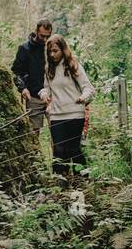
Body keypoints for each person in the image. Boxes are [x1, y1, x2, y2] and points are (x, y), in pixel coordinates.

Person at [39, 34, 95, 175]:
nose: (52, 54)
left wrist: (83, 97)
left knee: (73, 150)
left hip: (75, 114)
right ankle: (60, 184)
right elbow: (47, 88)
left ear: (63, 49)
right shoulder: (48, 69)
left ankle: (82, 181)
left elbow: (89, 88)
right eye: (49, 52)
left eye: (55, 51)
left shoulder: (73, 66)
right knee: (59, 151)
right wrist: (44, 93)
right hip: (56, 115)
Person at [11, 19, 53, 134]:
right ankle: (35, 153)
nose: (44, 40)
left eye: (47, 36)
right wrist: (22, 88)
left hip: (52, 97)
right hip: (33, 97)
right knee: (33, 134)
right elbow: (16, 72)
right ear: (36, 31)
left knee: (57, 134)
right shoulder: (25, 49)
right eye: (42, 36)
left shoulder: (52, 48)